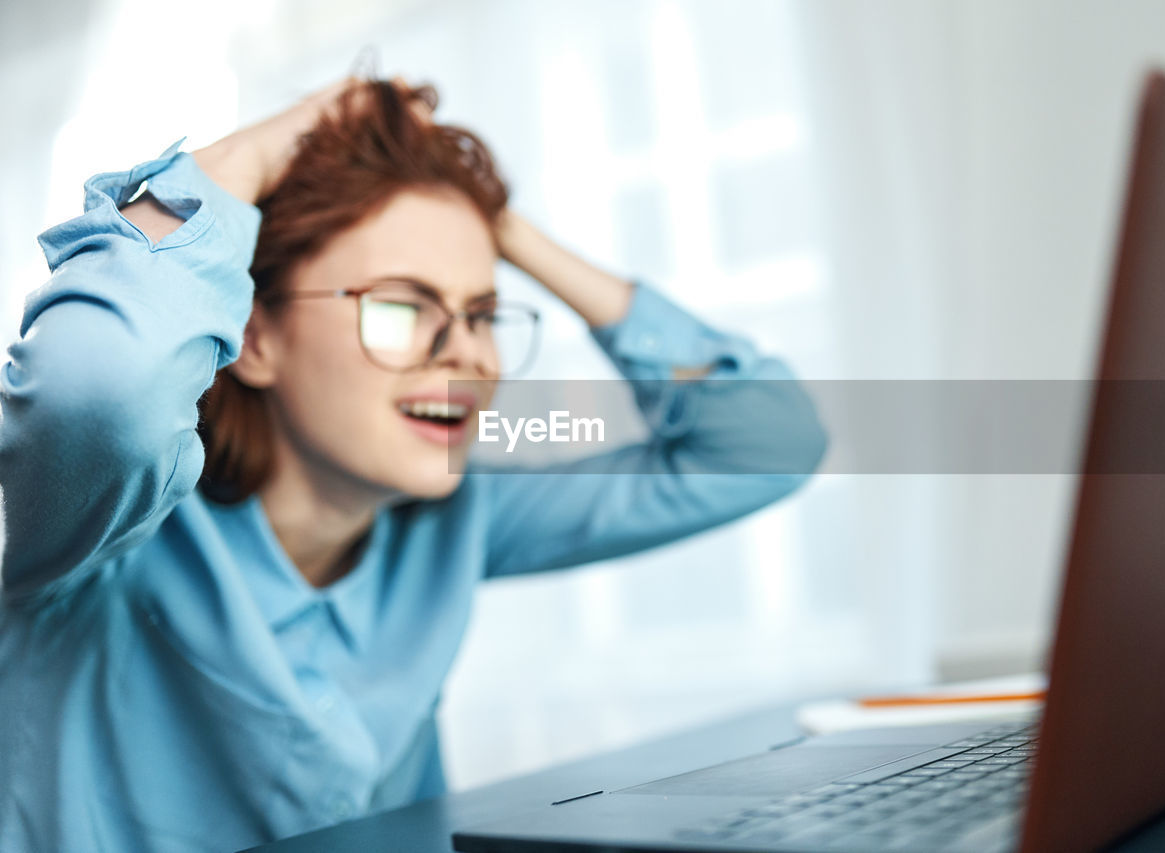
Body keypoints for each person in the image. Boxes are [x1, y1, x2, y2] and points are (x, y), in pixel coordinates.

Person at [0, 78, 826, 853]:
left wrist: (503, 229)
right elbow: (96, 386)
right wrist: (250, 156)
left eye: (482, 313)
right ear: (254, 336)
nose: (465, 351)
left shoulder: (461, 516)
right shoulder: (102, 527)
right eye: (405, 307)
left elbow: (766, 442)